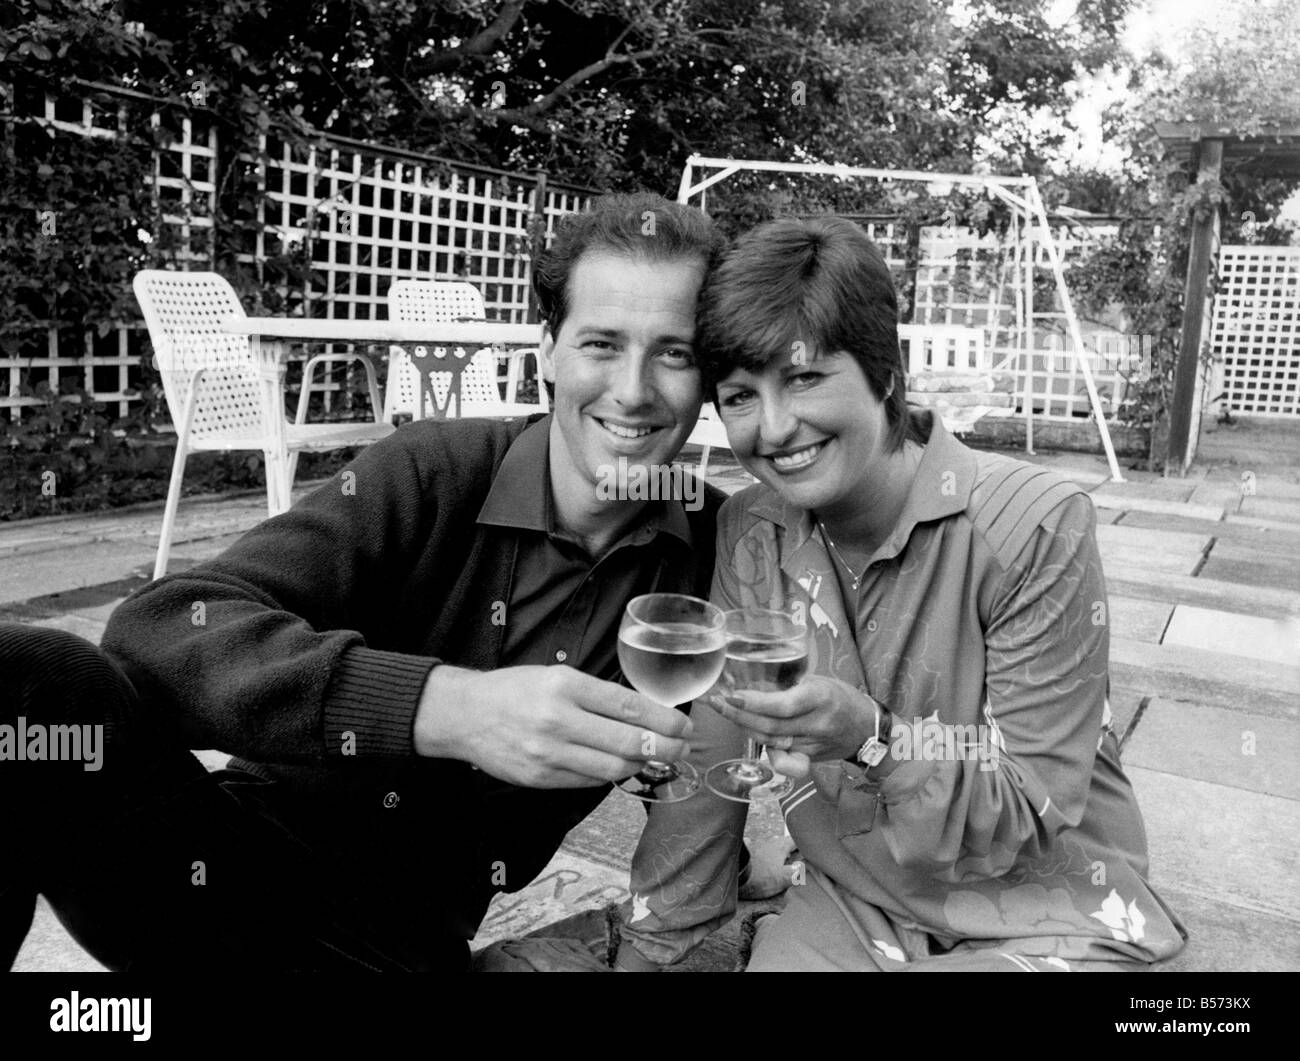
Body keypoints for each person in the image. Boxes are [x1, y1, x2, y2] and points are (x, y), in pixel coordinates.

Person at [1, 191, 739, 972]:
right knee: (27, 684)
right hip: (226, 872)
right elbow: (160, 628)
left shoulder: (721, 545)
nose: (632, 389)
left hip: (397, 949)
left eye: (675, 352)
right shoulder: (437, 471)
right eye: (601, 343)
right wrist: (446, 707)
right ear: (549, 349)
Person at [614, 216, 1188, 972]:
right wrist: (651, 950)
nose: (776, 428)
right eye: (740, 395)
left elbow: (1032, 803)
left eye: (805, 377)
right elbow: (712, 767)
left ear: (884, 370)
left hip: (1046, 908)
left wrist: (871, 735)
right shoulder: (752, 527)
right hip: (856, 901)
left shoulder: (1033, 526)